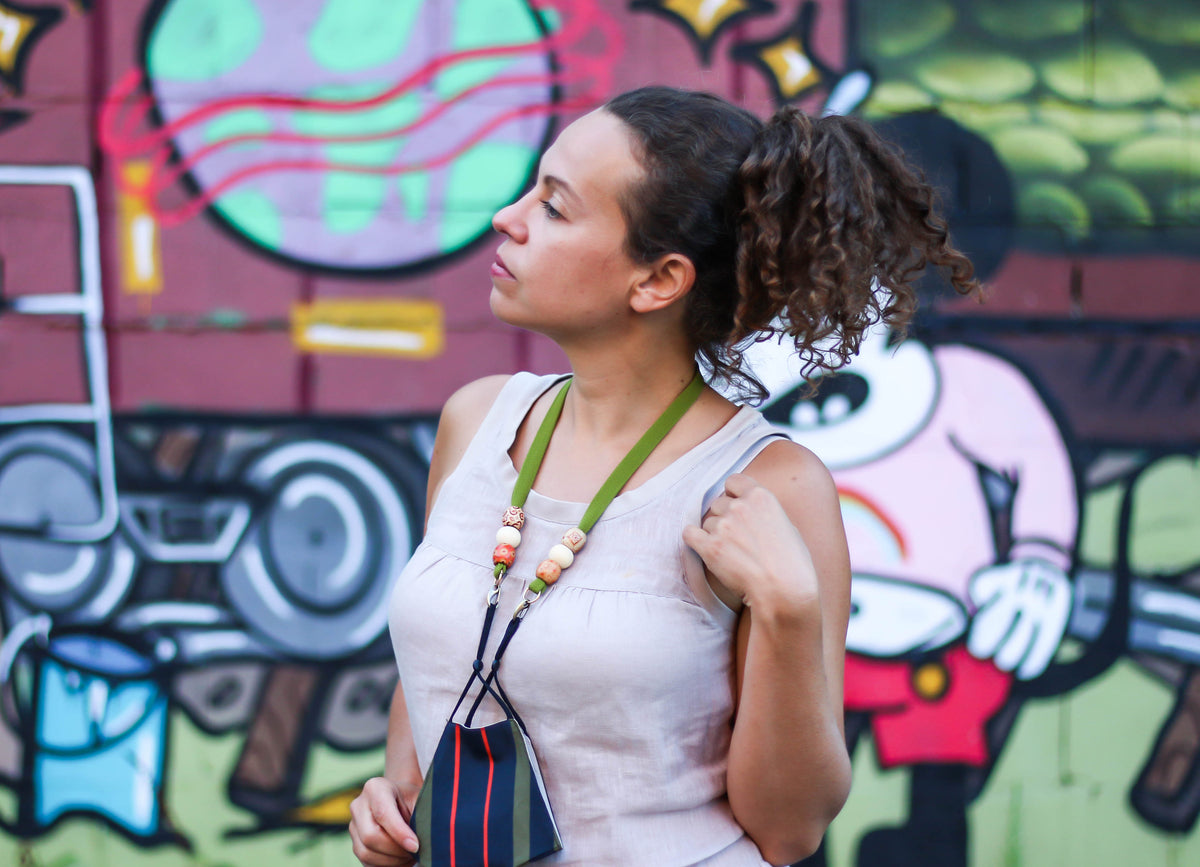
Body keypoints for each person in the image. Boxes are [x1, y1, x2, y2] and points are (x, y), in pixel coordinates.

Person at [348, 86, 977, 867]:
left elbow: (789, 829)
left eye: (554, 207)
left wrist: (788, 608)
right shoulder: (477, 424)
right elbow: (444, 670)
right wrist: (390, 803)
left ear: (657, 280)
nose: (506, 219)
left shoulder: (767, 485)